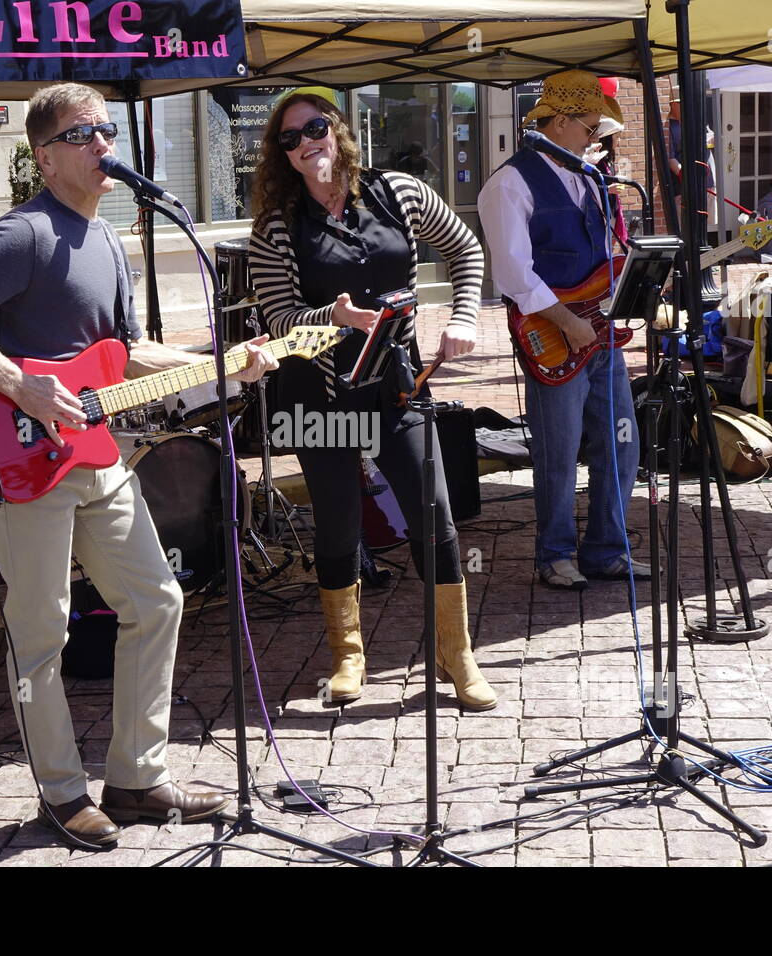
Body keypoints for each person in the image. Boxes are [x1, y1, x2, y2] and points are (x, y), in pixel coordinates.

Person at [0, 83, 277, 848]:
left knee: (159, 600)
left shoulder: (107, 240)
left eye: (110, 128)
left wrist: (224, 364)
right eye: (86, 134)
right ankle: (62, 790)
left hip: (97, 456)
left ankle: (138, 778)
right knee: (42, 629)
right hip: (21, 459)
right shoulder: (27, 234)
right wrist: (18, 383)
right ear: (45, 156)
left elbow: (125, 354)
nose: (106, 142)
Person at [246, 91, 496, 711]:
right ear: (283, 156)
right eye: (290, 139)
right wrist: (332, 319)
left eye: (316, 127)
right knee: (337, 523)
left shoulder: (399, 192)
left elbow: (466, 248)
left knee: (433, 515)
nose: (307, 142)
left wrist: (464, 315)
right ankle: (348, 655)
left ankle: (456, 653)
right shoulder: (277, 226)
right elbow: (277, 318)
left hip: (397, 385)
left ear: (338, 129)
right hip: (316, 395)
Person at [478, 69, 649, 591]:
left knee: (622, 443)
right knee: (559, 449)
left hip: (597, 334)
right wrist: (570, 322)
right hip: (555, 335)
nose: (597, 135)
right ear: (559, 120)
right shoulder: (508, 183)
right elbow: (513, 274)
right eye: (591, 125)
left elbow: (600, 259)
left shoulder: (592, 179)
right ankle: (554, 554)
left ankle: (606, 550)